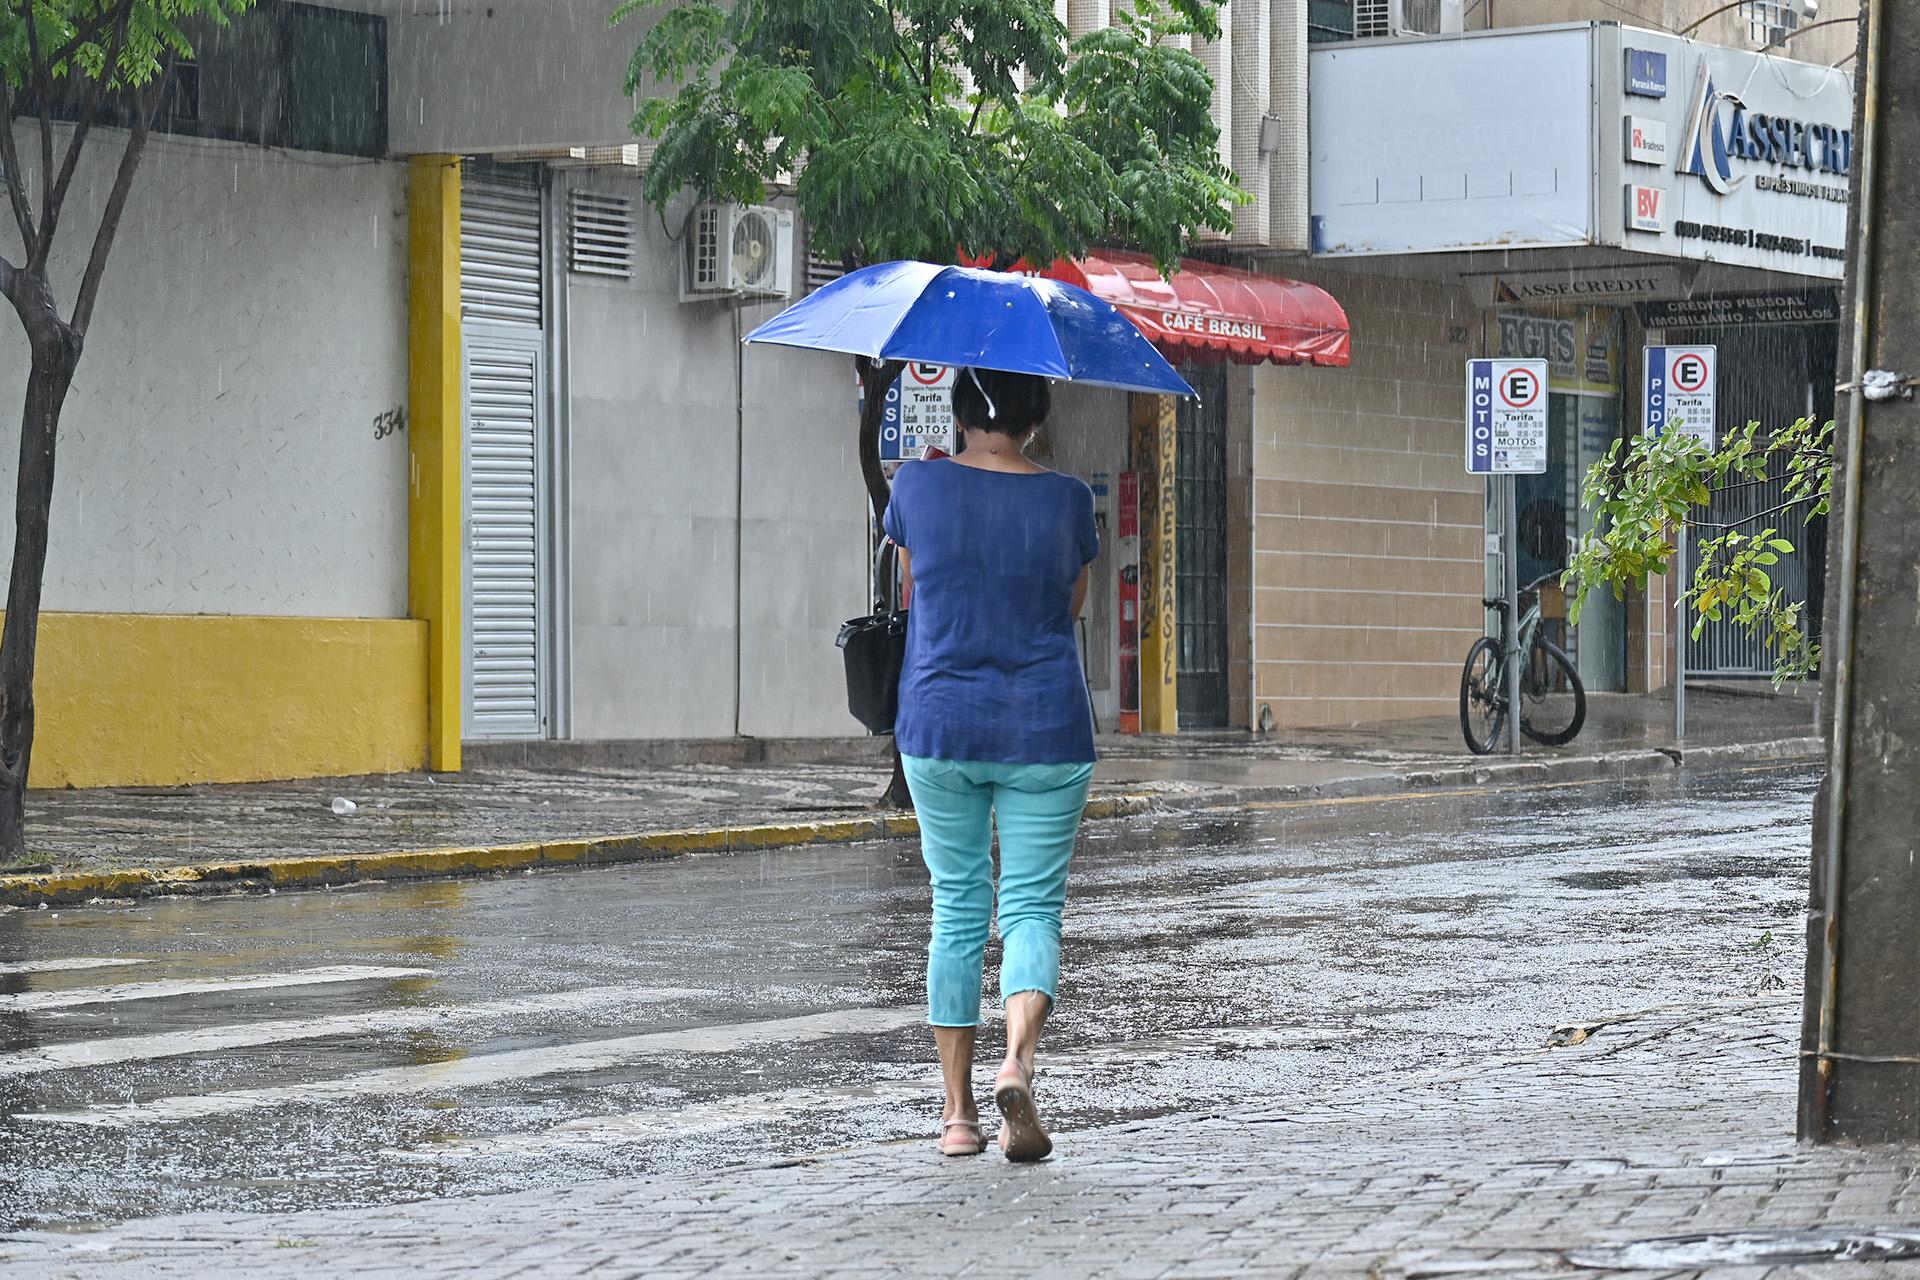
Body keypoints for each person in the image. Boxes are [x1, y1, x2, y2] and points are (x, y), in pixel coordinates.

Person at [880, 366, 1098, 1163]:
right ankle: (1019, 1060)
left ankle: (958, 1117)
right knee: (1033, 909)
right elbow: (1068, 607)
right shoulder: (1069, 499)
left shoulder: (919, 488)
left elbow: (916, 591)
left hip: (939, 724)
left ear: (962, 411)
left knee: (957, 910)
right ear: (1037, 417)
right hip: (1045, 725)